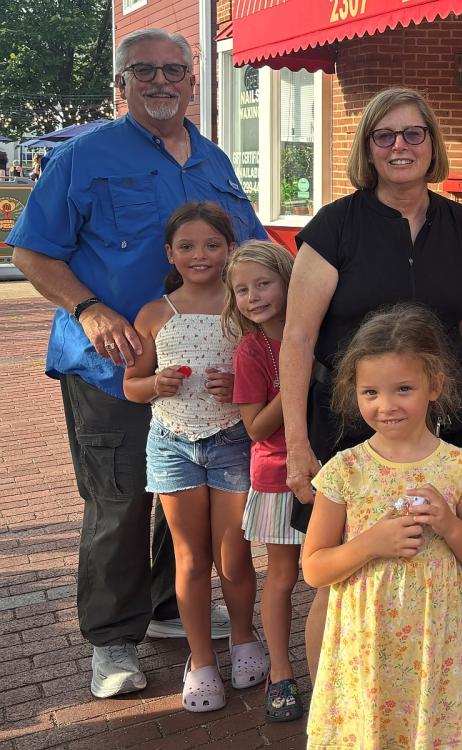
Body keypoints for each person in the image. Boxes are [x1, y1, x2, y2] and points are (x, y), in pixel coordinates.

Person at [8, 27, 265, 699]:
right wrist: (89, 309)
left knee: (184, 497)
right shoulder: (84, 158)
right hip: (111, 366)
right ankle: (112, 639)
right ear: (120, 84)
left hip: (201, 376)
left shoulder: (213, 162)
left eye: (173, 70)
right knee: (119, 502)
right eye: (143, 71)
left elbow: (255, 250)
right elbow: (31, 252)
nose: (160, 81)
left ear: (193, 82)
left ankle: (163, 606)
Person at [280, 87, 462, 683]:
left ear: (432, 143)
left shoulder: (459, 223)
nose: (400, 146)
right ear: (368, 148)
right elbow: (297, 336)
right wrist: (296, 441)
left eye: (413, 133)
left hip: (441, 423)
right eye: (385, 136)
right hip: (352, 425)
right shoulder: (335, 227)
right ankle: (331, 711)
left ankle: (413, 705)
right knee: (337, 581)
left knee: (435, 565)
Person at [303, 303, 462, 748]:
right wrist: (370, 543)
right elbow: (314, 569)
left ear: (435, 386)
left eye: (403, 389)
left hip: (433, 644)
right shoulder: (344, 470)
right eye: (370, 392)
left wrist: (449, 525)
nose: (386, 405)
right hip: (366, 646)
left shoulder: (458, 466)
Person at [123, 202, 263, 711]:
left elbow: (267, 371)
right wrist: (156, 383)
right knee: (191, 558)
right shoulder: (155, 313)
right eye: (186, 246)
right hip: (173, 444)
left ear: (230, 249)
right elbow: (132, 385)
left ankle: (244, 637)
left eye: (211, 245)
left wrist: (239, 385)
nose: (199, 255)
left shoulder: (243, 308)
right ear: (170, 253)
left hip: (232, 442)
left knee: (234, 555)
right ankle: (201, 660)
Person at [222, 240, 304, 722]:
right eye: (242, 290)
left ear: (289, 283)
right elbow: (255, 427)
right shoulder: (252, 351)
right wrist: (295, 379)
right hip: (276, 474)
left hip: (329, 471)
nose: (253, 297)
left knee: (332, 574)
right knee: (283, 575)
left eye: (263, 284)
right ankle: (281, 670)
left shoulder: (318, 334)